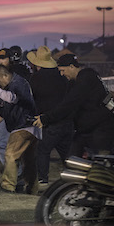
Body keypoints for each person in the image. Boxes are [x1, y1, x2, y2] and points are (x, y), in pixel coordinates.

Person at [34, 54, 114, 158]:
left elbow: (69, 104)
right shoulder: (75, 82)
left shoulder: (86, 79)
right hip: (86, 130)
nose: (61, 74)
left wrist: (46, 118)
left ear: (72, 67)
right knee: (72, 160)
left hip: (101, 130)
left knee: (100, 165)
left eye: (63, 70)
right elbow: (67, 106)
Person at [0, 65, 39, 194]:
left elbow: (13, 98)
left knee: (10, 155)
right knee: (28, 160)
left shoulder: (19, 83)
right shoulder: (11, 86)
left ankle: (8, 185)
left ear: (5, 76)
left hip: (23, 125)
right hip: (27, 125)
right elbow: (1, 103)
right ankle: (31, 188)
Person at [26, 46, 73, 186]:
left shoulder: (35, 79)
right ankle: (74, 177)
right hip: (67, 120)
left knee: (43, 150)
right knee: (66, 152)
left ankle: (43, 180)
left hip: (49, 120)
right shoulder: (61, 75)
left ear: (36, 63)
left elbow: (30, 100)